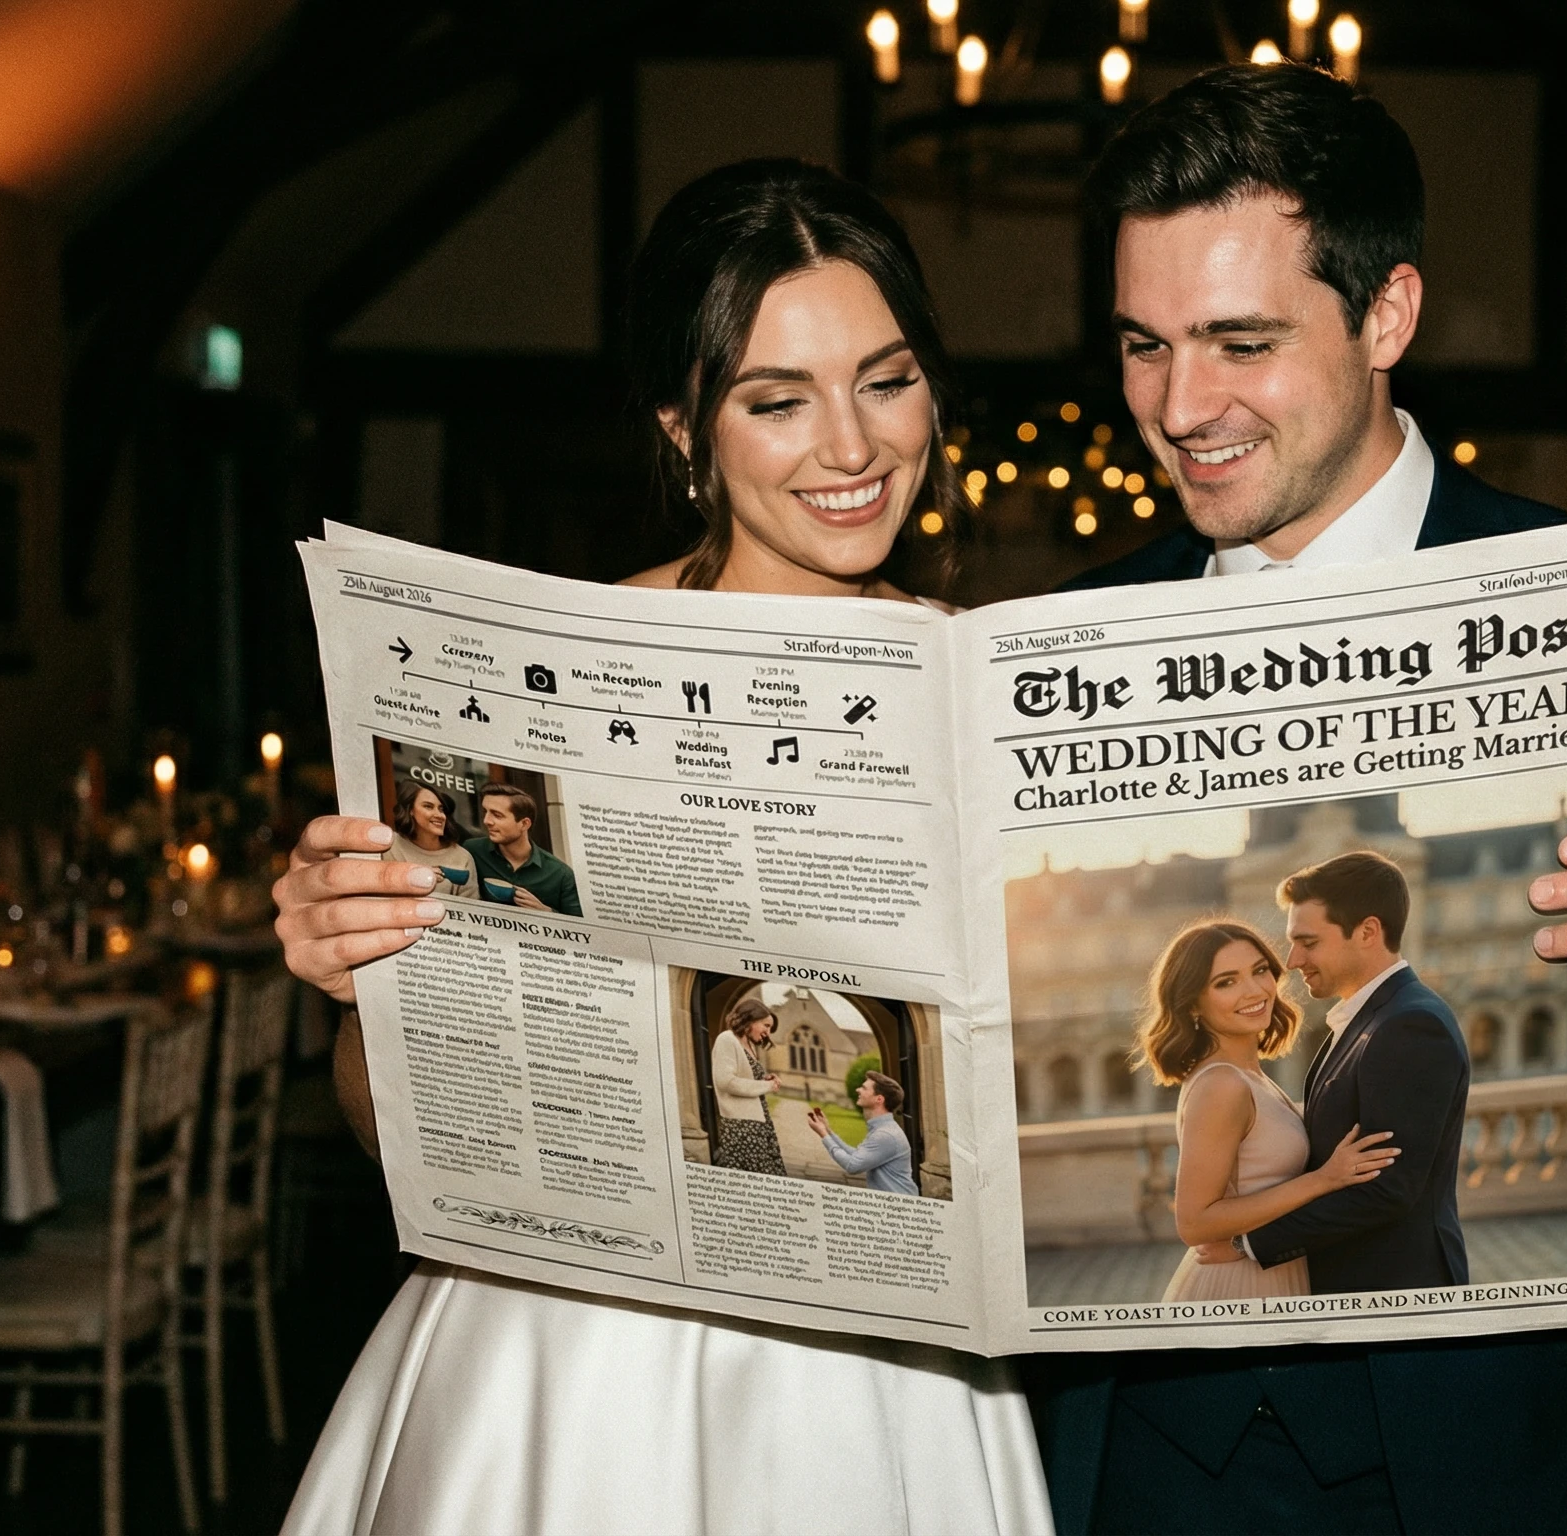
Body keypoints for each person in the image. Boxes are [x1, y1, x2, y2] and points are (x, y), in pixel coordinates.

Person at [1025, 63, 1567, 1534]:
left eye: (1241, 342)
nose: (1179, 406)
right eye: (1144, 346)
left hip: (1518, 1459)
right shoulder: (1059, 637)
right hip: (1151, 1462)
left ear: (1388, 314)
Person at [274, 159, 1048, 1535]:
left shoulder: (987, 689)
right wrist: (364, 978)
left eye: (886, 380)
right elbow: (389, 1124)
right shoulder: (539, 680)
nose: (852, 446)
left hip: (879, 1367)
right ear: (687, 430)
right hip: (577, 1364)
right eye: (777, 401)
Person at [1230, 855, 1463, 1294]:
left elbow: (1386, 1189)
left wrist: (1250, 1242)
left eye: (1308, 942)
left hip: (1394, 1288)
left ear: (1368, 932)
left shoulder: (1410, 1026)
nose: (1292, 960)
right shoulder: (1372, 1017)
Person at [1134, 918, 1397, 1304]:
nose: (1254, 990)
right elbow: (1194, 1222)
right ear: (1192, 1003)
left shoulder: (1248, 1076)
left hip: (1269, 1270)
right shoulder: (1222, 1085)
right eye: (1226, 982)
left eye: (1259, 971)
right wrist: (1324, 1179)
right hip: (1240, 1287)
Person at [461, 783, 581, 914]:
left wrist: (545, 911)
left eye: (497, 815)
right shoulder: (472, 850)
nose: (486, 821)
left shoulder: (561, 875)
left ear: (524, 824)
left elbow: (578, 923)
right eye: (485, 812)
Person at [708, 996, 788, 1175]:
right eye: (766, 1026)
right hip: (741, 1126)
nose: (768, 1033)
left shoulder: (749, 1045)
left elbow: (745, 1077)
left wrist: (765, 1079)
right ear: (750, 1019)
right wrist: (767, 1086)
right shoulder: (727, 1039)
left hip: (758, 1122)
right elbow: (727, 1082)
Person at [808, 1070, 919, 1195]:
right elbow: (857, 1155)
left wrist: (823, 1134)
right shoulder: (881, 1129)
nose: (858, 1090)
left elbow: (852, 1166)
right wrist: (828, 1131)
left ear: (879, 1099)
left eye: (864, 1088)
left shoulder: (885, 1134)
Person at [384, 782, 471, 898]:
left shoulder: (462, 857)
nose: (439, 815)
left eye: (441, 809)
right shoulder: (390, 845)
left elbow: (471, 906)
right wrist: (415, 877)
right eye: (428, 806)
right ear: (410, 810)